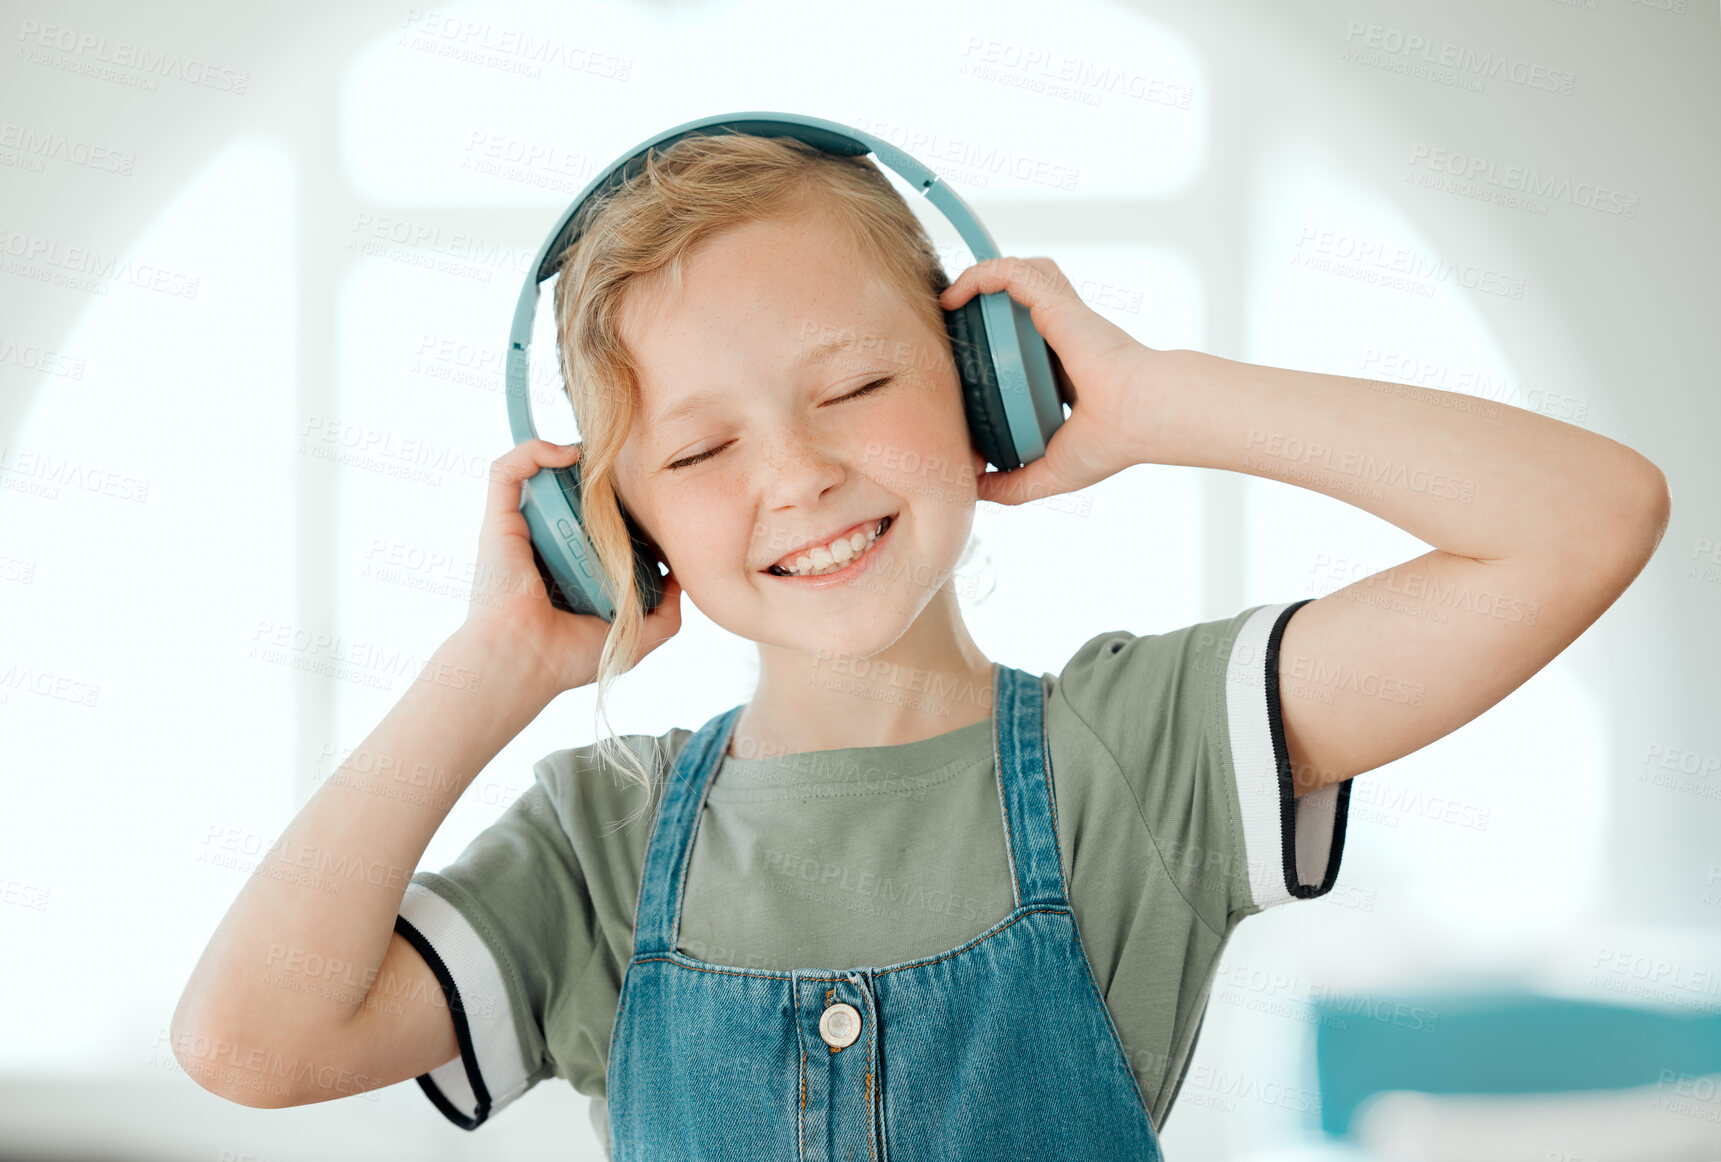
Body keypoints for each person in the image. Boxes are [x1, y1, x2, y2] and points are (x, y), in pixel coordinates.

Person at [170, 131, 1670, 1158]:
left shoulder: (1137, 754)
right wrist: (492, 665)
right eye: (696, 453)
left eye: (856, 382)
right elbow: (248, 1040)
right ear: (612, 526)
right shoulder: (599, 843)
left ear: (982, 381)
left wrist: (1149, 399)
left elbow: (1582, 518)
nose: (795, 473)